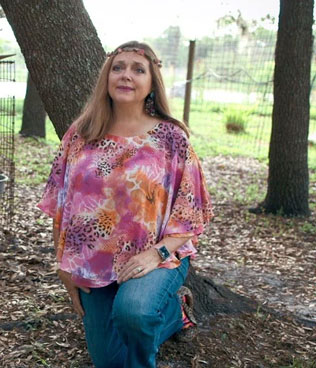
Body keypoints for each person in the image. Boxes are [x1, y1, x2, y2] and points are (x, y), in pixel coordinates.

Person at [37, 41, 213, 368]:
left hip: (155, 257)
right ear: (107, 77)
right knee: (110, 360)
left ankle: (158, 321)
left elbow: (190, 214)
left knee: (134, 313)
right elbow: (61, 203)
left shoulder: (172, 138)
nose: (126, 75)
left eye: (137, 69)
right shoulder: (82, 133)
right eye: (118, 68)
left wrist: (157, 253)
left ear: (151, 83)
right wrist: (63, 263)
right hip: (93, 261)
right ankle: (175, 315)